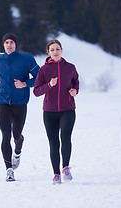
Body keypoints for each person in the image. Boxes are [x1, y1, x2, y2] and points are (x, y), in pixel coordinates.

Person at [0, 33, 40, 181]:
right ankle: (9, 170)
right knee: (6, 134)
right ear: (3, 45)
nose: (9, 45)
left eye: (11, 42)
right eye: (6, 43)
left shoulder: (27, 59)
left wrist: (25, 84)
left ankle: (18, 151)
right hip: (3, 101)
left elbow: (39, 77)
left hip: (20, 101)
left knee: (16, 135)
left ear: (15, 45)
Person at [33, 39, 79, 185]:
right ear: (48, 52)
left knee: (66, 137)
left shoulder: (70, 67)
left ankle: (65, 167)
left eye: (57, 49)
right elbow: (36, 91)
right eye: (52, 50)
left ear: (61, 50)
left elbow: (76, 81)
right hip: (49, 112)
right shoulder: (43, 70)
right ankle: (56, 174)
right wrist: (49, 85)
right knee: (53, 143)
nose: (55, 52)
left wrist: (75, 90)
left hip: (68, 109)